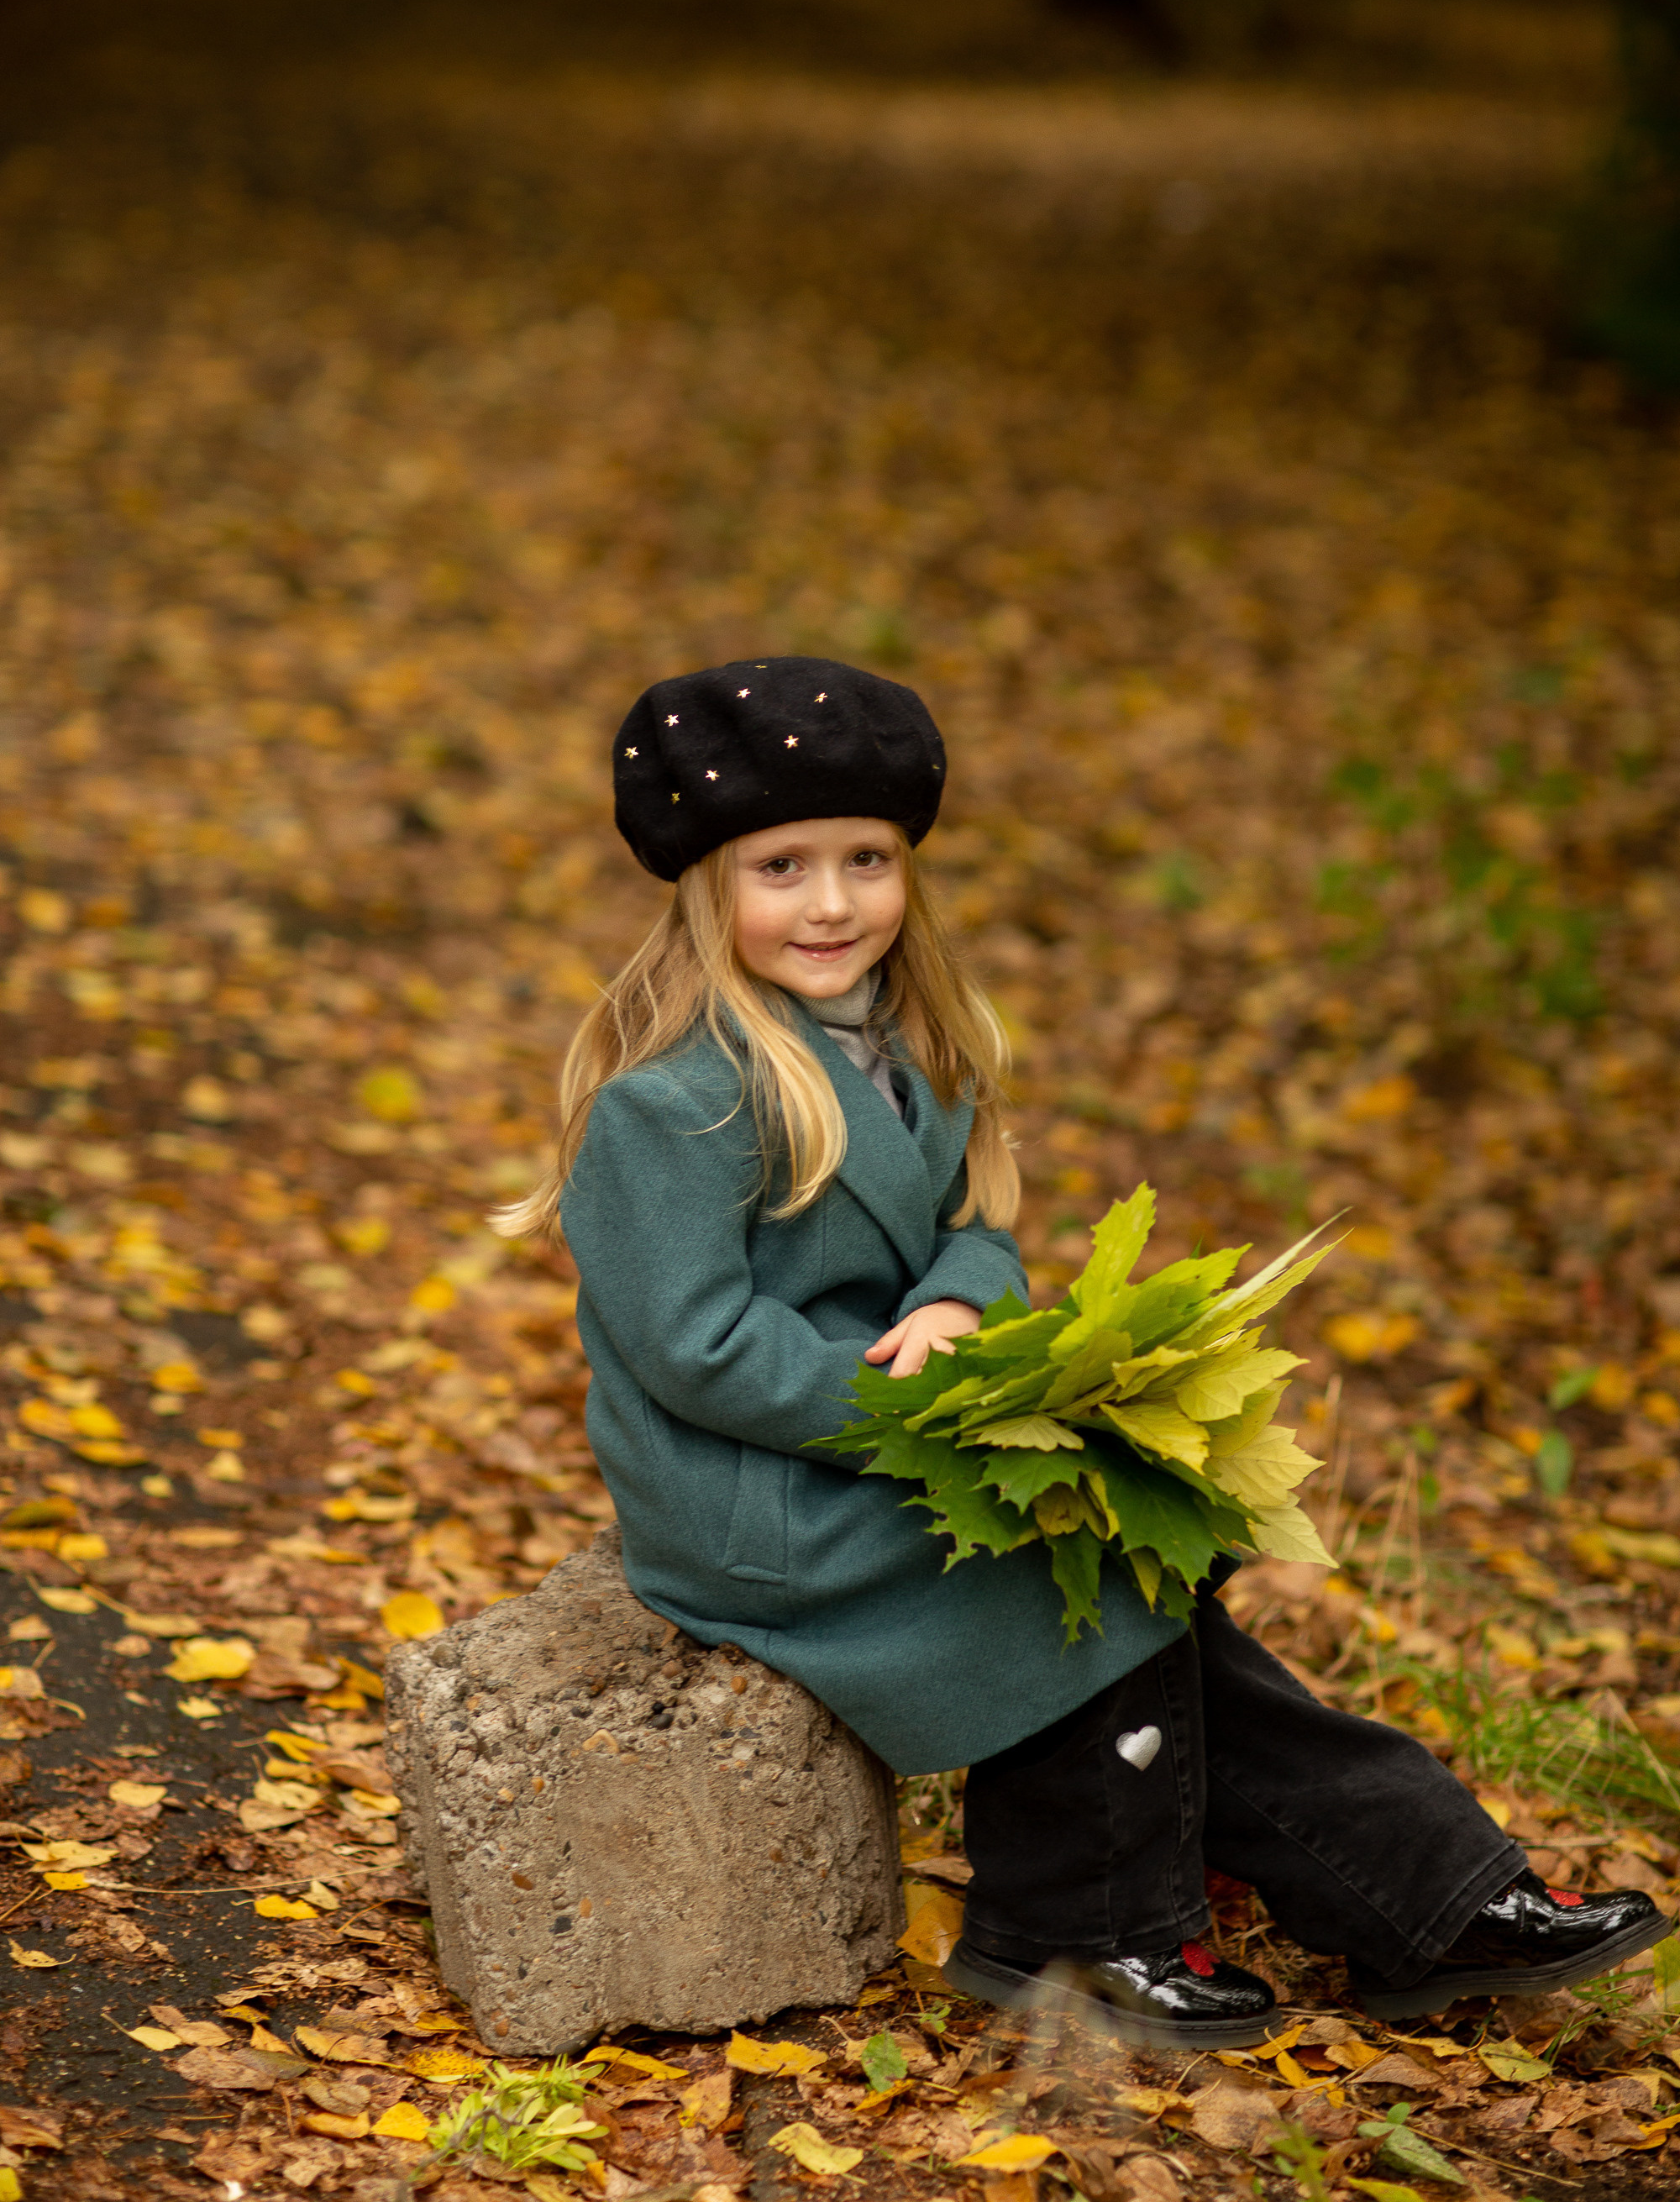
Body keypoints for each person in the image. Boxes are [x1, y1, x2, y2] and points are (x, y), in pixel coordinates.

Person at [501, 654, 1667, 2049]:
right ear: (706, 886)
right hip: (760, 1491)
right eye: (783, 867)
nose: (831, 903)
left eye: (867, 859)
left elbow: (980, 1232)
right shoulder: (674, 1104)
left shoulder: (915, 1045)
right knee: (1088, 1567)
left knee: (1152, 1560)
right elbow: (695, 1350)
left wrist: (957, 1314)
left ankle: (1420, 1901)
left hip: (905, 1425)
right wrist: (918, 1413)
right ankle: (1088, 1931)